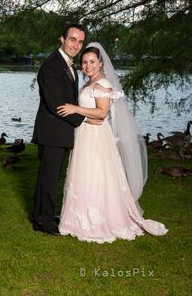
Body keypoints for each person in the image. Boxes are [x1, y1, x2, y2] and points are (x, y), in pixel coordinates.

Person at [56, 43, 168, 243]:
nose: (88, 66)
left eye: (92, 62)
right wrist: (84, 118)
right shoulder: (91, 83)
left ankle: (99, 220)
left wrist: (75, 109)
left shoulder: (102, 84)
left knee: (96, 174)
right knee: (84, 173)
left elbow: (102, 113)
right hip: (87, 133)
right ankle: (77, 219)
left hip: (96, 137)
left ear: (100, 63)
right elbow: (95, 116)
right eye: (84, 62)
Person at [32, 24, 94, 236]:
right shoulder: (51, 66)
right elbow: (56, 103)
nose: (76, 45)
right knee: (48, 179)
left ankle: (43, 216)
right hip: (52, 132)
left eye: (79, 41)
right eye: (72, 39)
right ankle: (44, 222)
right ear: (62, 39)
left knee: (50, 178)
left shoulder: (68, 65)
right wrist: (84, 119)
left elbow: (70, 99)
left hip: (60, 132)